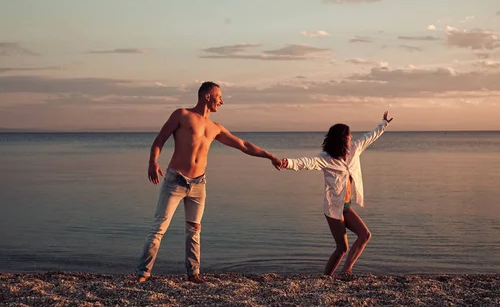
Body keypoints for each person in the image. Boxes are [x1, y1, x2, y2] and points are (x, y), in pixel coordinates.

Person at [136, 81, 282, 283]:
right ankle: (142, 274)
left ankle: (193, 274)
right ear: (207, 96)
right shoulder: (182, 115)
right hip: (175, 180)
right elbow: (160, 139)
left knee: (194, 230)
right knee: (159, 228)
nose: (222, 101)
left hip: (198, 184)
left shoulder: (215, 128)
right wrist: (153, 162)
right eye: (219, 96)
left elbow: (243, 145)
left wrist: (269, 155)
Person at [278, 111, 393, 277]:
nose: (352, 136)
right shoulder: (326, 158)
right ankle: (326, 278)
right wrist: (286, 163)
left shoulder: (354, 149)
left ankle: (346, 271)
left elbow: (370, 137)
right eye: (348, 134)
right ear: (341, 138)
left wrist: (383, 124)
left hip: (346, 207)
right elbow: (306, 163)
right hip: (333, 209)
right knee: (342, 248)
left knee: (364, 235)